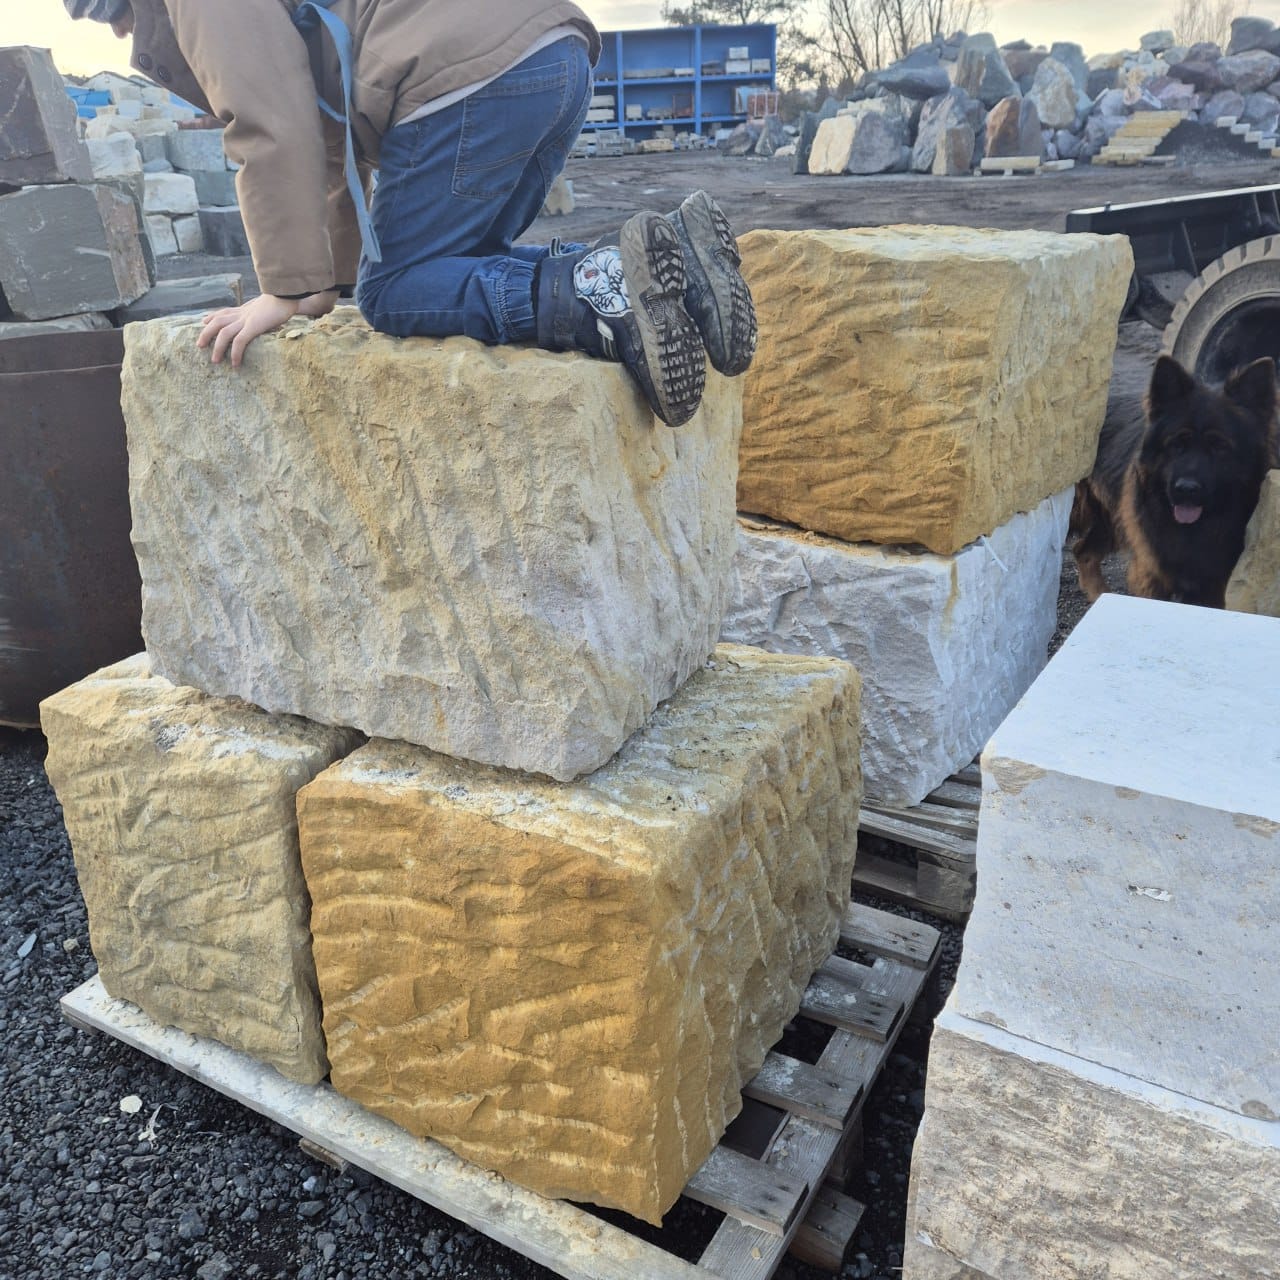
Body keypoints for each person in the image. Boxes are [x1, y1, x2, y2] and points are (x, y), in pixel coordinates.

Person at [66, 0, 757, 427]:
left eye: (112, 17)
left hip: (471, 74)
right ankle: (676, 261)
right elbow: (329, 140)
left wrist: (283, 289)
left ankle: (601, 294)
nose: (123, 35)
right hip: (555, 54)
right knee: (451, 271)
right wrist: (322, 286)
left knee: (394, 292)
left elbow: (271, 121)